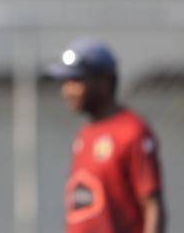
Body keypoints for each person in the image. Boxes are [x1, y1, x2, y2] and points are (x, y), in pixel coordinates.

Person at [47, 38, 166, 233]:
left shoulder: (132, 131)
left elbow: (152, 205)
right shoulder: (85, 135)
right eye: (65, 82)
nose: (67, 91)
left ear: (105, 81)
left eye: (76, 81)